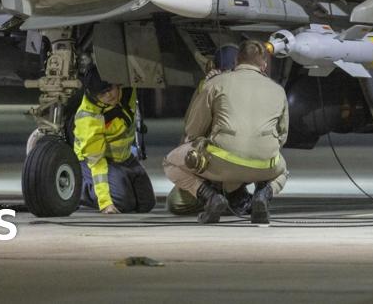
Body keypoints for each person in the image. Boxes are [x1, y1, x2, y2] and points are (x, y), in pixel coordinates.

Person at [163, 40, 289, 224]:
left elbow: (192, 131)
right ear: (264, 64)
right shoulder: (278, 91)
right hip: (263, 167)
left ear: (237, 61)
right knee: (283, 171)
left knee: (169, 163)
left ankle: (210, 197)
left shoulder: (215, 84)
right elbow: (282, 136)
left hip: (220, 164)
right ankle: (263, 195)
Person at [165, 44, 246, 216]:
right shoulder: (256, 87)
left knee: (176, 201)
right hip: (251, 165)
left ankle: (218, 196)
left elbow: (191, 132)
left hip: (220, 163)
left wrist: (208, 88)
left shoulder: (211, 88)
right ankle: (238, 197)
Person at [73, 66, 155, 214]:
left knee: (146, 204)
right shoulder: (89, 117)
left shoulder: (127, 93)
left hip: (124, 159)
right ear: (94, 96)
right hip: (93, 161)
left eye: (110, 89)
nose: (109, 95)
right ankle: (79, 190)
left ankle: (120, 181)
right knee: (123, 203)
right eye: (102, 94)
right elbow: (97, 163)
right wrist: (105, 203)